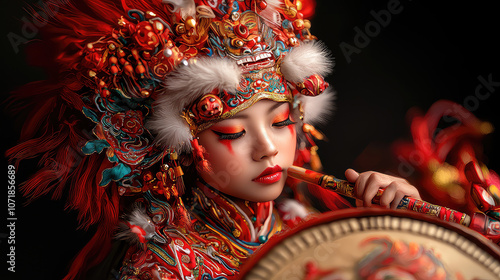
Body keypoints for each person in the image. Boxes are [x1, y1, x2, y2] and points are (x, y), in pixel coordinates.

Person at [6, 0, 420, 279]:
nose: (268, 148)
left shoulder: (309, 223)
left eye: (279, 123)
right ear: (184, 147)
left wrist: (398, 228)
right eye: (232, 133)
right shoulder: (168, 268)